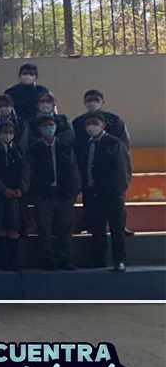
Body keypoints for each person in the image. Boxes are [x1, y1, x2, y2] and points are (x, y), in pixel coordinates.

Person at [76, 114, 131, 272]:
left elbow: (123, 169)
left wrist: (119, 191)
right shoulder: (86, 145)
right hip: (92, 193)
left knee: (116, 229)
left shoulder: (114, 143)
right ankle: (98, 259)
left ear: (103, 125)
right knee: (97, 228)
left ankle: (119, 260)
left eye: (95, 123)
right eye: (88, 124)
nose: (91, 126)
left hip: (111, 194)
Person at [27, 116, 81, 270]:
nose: (49, 127)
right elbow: (30, 172)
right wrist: (33, 193)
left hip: (64, 193)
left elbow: (74, 170)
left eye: (51, 124)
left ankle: (65, 259)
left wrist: (74, 191)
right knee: (44, 229)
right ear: (39, 129)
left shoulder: (65, 147)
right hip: (43, 194)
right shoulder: (33, 149)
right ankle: (47, 259)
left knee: (65, 228)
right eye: (45, 125)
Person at [0, 121, 29, 271]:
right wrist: (2, 189)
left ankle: (14, 262)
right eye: (4, 131)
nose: (7, 134)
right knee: (1, 229)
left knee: (14, 230)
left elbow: (26, 172)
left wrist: (21, 189)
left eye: (10, 132)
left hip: (16, 195)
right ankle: (3, 262)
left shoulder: (20, 150)